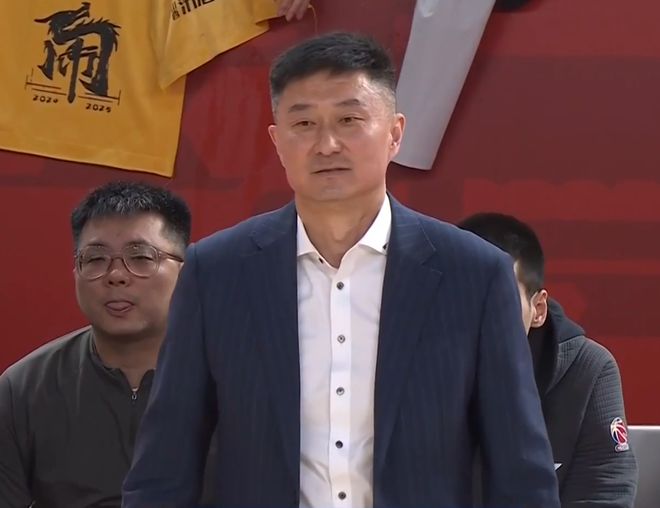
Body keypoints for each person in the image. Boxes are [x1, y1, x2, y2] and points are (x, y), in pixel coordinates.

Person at [123, 32, 560, 508]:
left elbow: (521, 477)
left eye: (349, 120)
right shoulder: (216, 273)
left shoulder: (475, 275)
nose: (326, 144)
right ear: (277, 141)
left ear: (394, 133)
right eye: (304, 123)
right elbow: (164, 468)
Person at [0, 181, 191, 508]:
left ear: (186, 271)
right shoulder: (22, 390)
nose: (116, 275)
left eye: (141, 256)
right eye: (95, 258)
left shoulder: (236, 379)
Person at [458, 212, 638, 507]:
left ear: (538, 309)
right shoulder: (404, 365)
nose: (477, 318)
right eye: (462, 299)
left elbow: (605, 494)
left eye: (499, 301)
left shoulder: (588, 371)